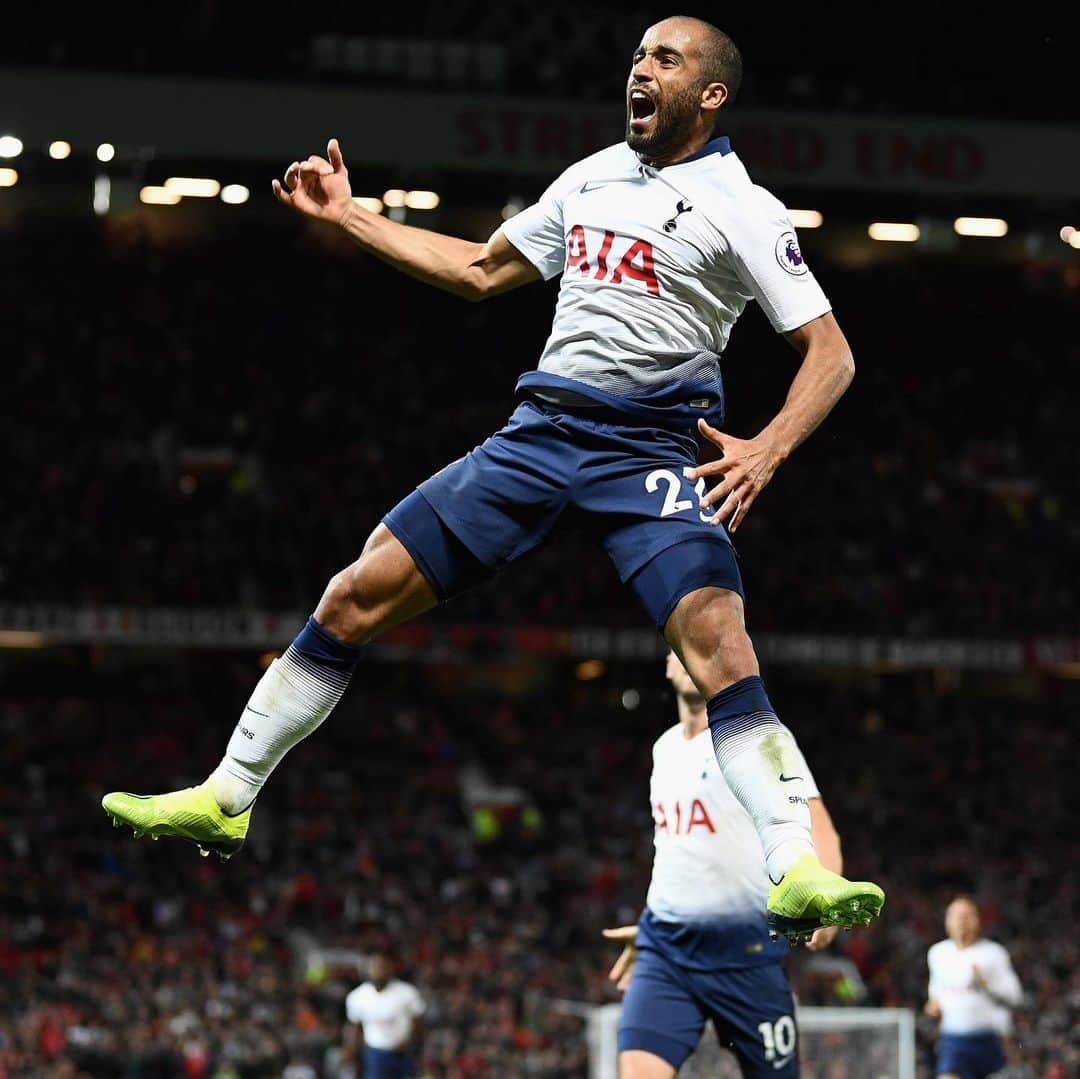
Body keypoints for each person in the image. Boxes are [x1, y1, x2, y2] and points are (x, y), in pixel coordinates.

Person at [102, 14, 883, 940]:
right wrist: (352, 213)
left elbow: (829, 354)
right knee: (355, 592)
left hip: (652, 449)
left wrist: (769, 445)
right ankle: (227, 794)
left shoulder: (742, 205)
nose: (640, 68)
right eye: (636, 54)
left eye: (664, 59)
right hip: (543, 432)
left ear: (710, 95)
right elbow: (479, 269)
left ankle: (791, 861)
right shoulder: (591, 177)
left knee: (722, 647)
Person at [602, 652, 842, 1078]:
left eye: (700, 648)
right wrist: (656, 921)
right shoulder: (665, 749)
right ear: (667, 666)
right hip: (667, 952)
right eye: (680, 649)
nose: (690, 658)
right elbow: (678, 853)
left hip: (747, 957)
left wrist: (827, 898)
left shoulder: (755, 737)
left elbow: (817, 823)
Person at [924, 896, 1022, 1079]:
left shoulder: (993, 954)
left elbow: (1015, 996)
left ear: (977, 921)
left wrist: (986, 984)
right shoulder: (938, 953)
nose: (961, 920)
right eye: (955, 915)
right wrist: (933, 1006)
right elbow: (936, 991)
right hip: (953, 1040)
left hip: (990, 1039)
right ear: (947, 921)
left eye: (966, 915)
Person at [342, 953, 425, 1079]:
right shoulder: (357, 997)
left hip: (404, 1052)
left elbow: (418, 1021)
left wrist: (411, 1042)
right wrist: (350, 1049)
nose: (378, 971)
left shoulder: (407, 992)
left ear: (390, 969)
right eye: (374, 967)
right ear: (367, 970)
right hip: (375, 1052)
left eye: (382, 967)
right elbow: (354, 1026)